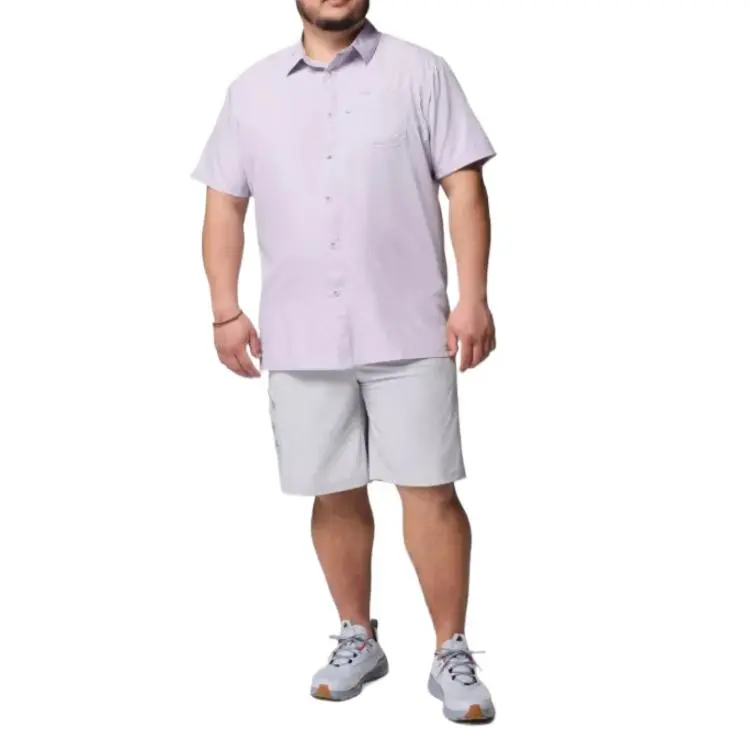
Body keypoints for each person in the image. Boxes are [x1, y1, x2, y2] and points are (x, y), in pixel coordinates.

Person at [192, 0, 496, 723]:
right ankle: (357, 635)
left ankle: (450, 648)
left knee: (429, 488)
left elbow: (464, 187)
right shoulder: (251, 90)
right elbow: (224, 204)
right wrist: (225, 309)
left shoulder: (421, 73)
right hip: (300, 332)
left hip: (410, 325)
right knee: (332, 490)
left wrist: (474, 297)